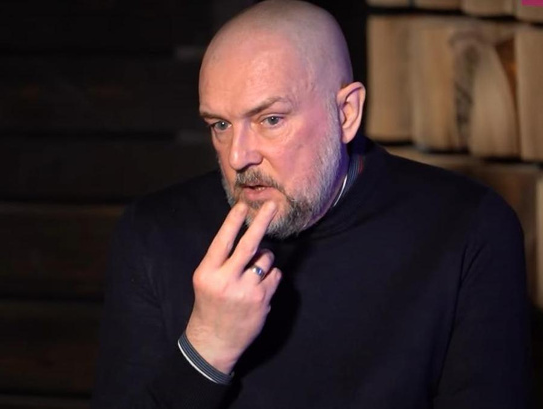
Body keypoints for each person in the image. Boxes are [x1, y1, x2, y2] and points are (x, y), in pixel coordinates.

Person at [91, 1, 531, 408]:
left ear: (346, 113)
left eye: (270, 120)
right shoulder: (154, 232)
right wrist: (205, 349)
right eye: (220, 124)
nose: (238, 156)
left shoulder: (466, 228)